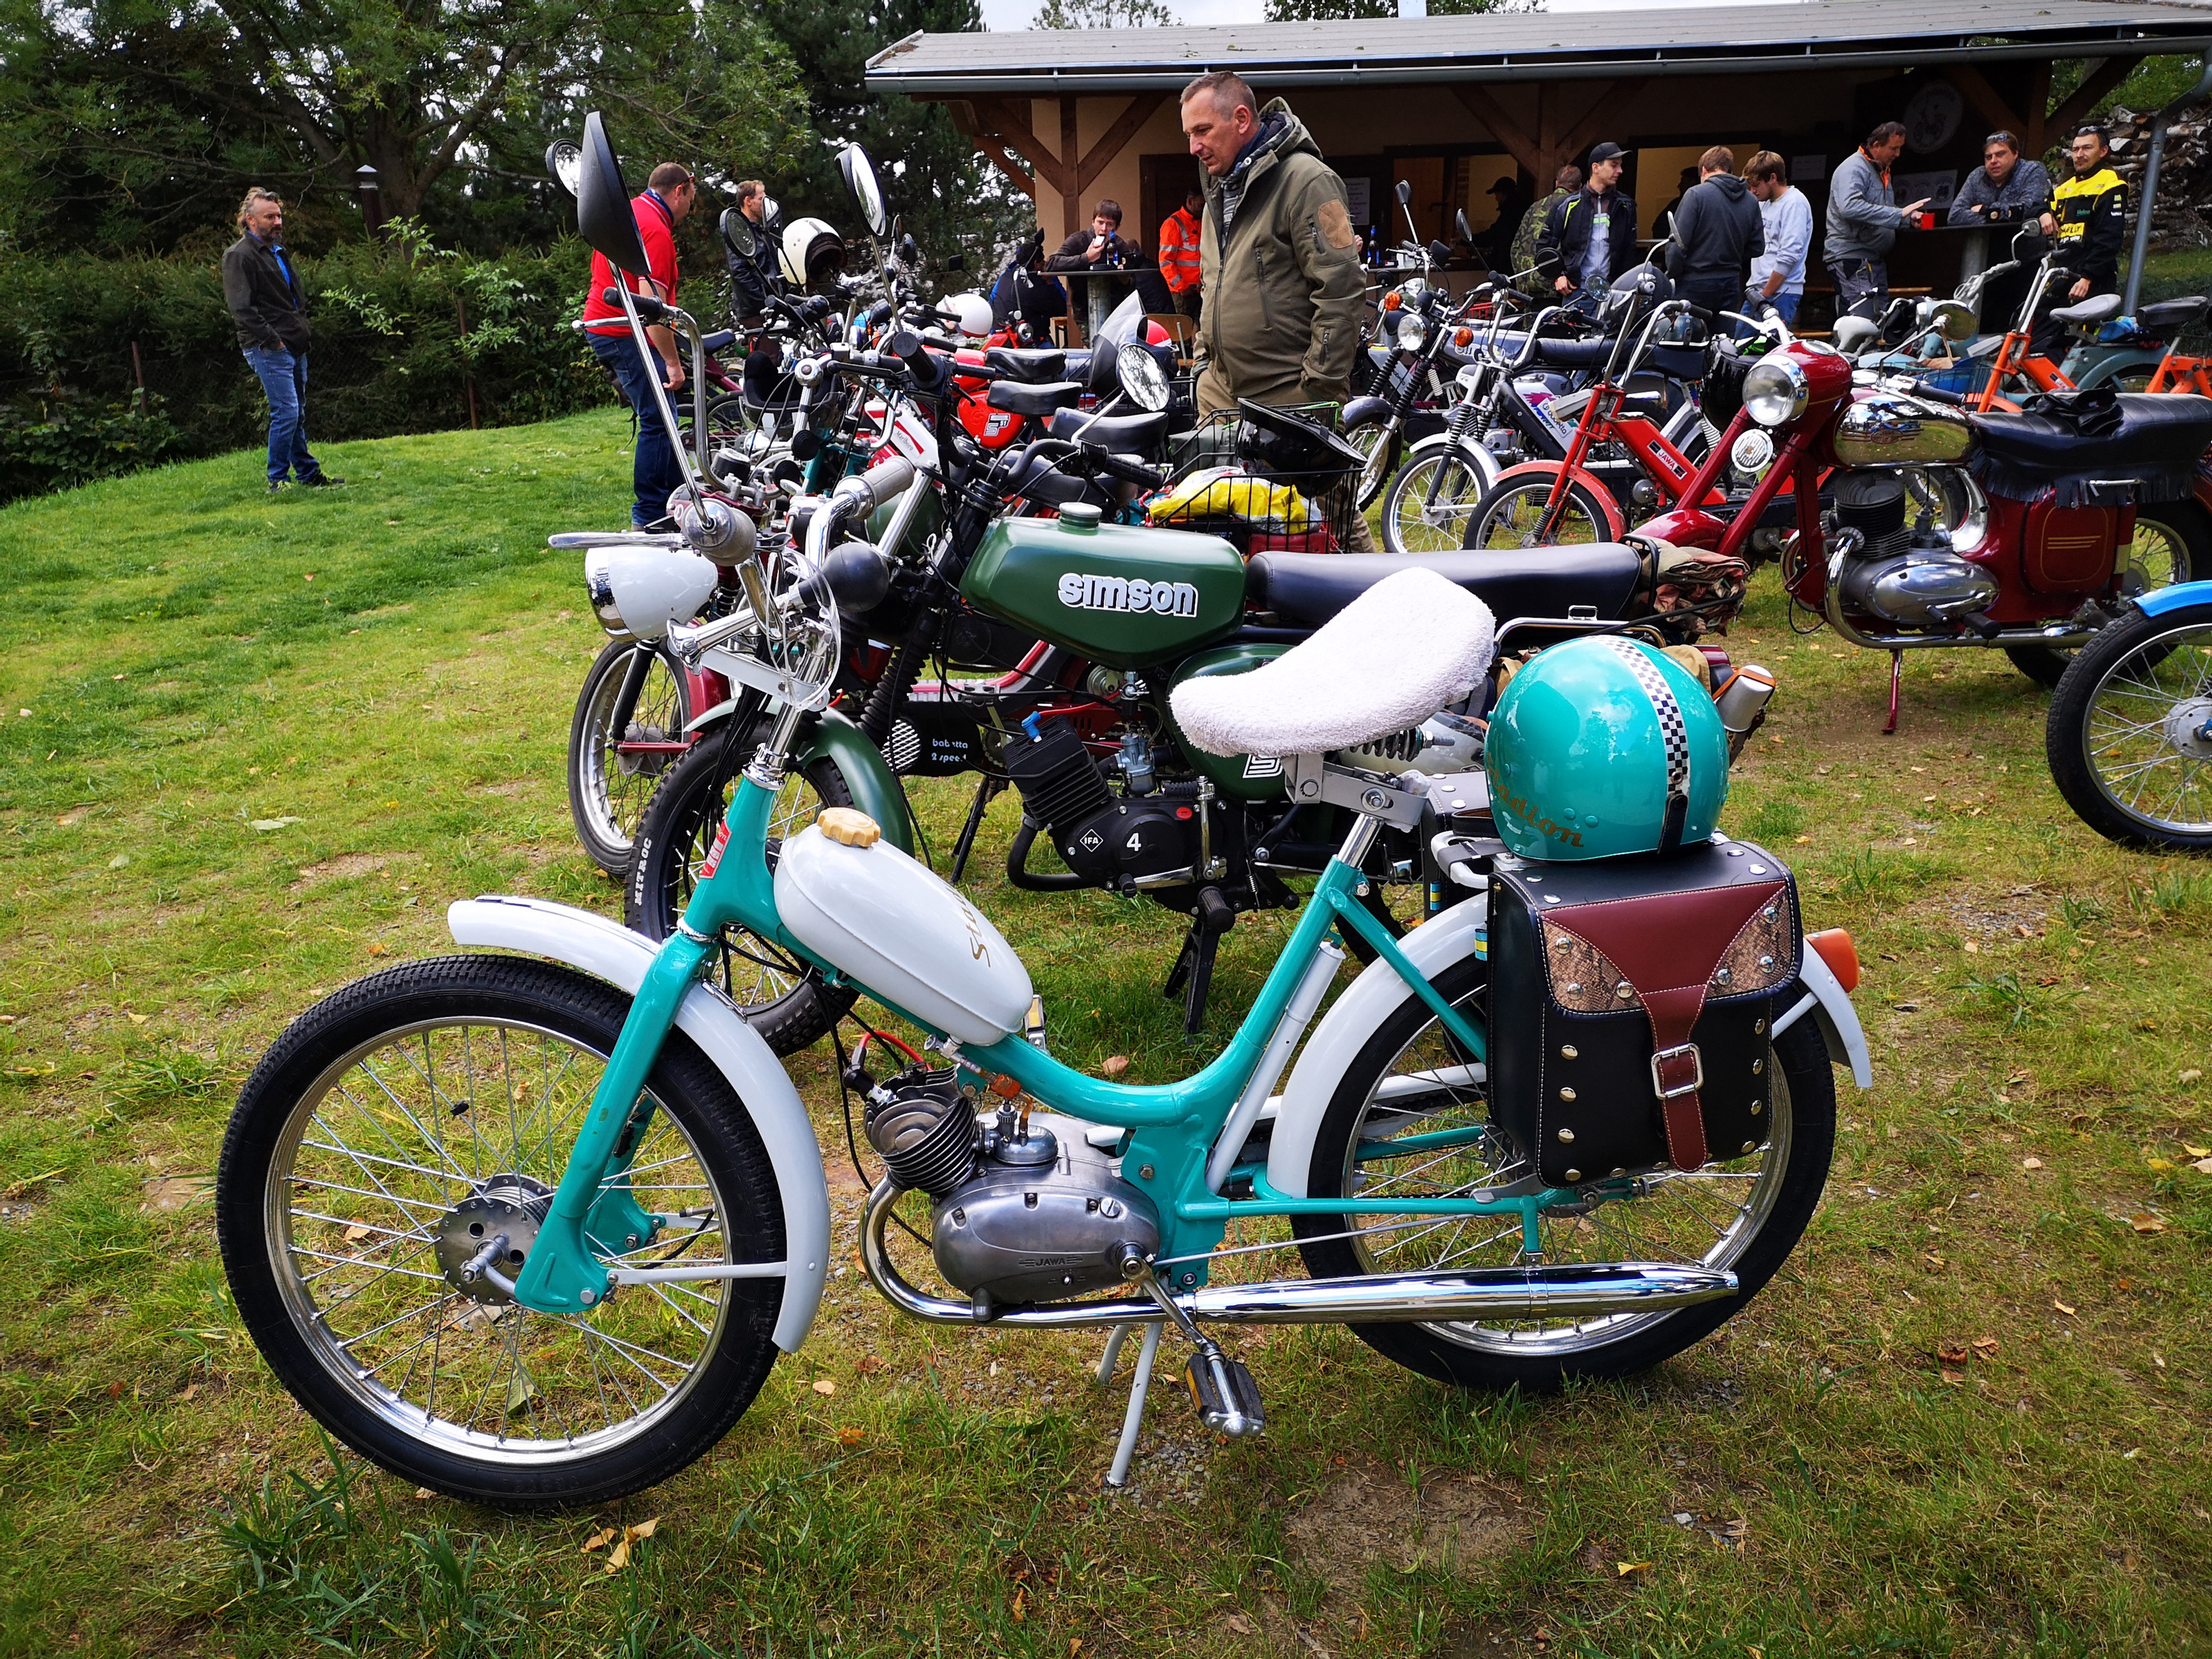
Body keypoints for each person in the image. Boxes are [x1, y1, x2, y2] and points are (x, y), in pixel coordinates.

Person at [1179, 69, 1371, 548]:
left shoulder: (1307, 181)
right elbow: (1212, 286)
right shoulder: (1217, 191)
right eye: (1189, 134)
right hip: (1221, 395)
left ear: (1242, 119)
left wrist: (1319, 384)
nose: (1194, 147)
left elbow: (1342, 287)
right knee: (1223, 524)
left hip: (1291, 393)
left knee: (1329, 522)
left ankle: (1373, 590)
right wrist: (1203, 365)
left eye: (1203, 130)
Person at [579, 161, 697, 528]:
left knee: (665, 417)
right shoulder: (655, 230)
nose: (690, 206)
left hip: (606, 325)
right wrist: (673, 363)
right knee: (659, 419)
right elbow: (652, 310)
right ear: (679, 191)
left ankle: (678, 500)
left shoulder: (630, 212)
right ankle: (649, 516)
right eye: (691, 197)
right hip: (622, 332)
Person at [223, 189, 341, 494]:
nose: (277, 222)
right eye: (269, 217)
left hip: (294, 342)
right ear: (250, 220)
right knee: (286, 412)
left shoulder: (277, 251)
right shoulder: (239, 255)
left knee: (296, 413)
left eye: (279, 216)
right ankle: (277, 479)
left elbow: (292, 299)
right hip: (268, 347)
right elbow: (241, 308)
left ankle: (308, 474)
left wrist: (300, 329)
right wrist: (273, 341)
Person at [1825, 120, 1931, 322]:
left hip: (1873, 259)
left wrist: (1907, 219)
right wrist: (1899, 214)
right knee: (1859, 321)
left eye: (1900, 148)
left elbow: (1879, 211)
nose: (1898, 154)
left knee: (1878, 321)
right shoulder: (1853, 169)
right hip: (1853, 258)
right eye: (1893, 148)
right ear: (1876, 146)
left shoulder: (1881, 170)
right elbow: (1850, 207)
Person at [1537, 142, 1639, 321]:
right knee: (1574, 339)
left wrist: (1626, 288)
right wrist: (1557, 277)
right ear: (1596, 168)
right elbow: (1544, 247)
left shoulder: (1626, 206)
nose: (1620, 171)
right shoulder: (1567, 205)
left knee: (1610, 340)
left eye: (1621, 166)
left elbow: (1630, 251)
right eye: (1614, 165)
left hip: (1614, 294)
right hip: (1578, 293)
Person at [1667, 144, 1764, 320]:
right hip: (1731, 283)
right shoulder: (1751, 200)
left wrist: (1673, 275)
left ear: (1704, 170)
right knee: (1723, 336)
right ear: (1729, 170)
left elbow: (1677, 245)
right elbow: (1757, 247)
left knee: (1686, 336)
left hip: (1693, 283)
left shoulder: (1696, 194)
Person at [1047, 198, 1154, 337]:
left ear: (1116, 227)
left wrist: (1124, 278)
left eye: (1110, 224)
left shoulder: (1119, 245)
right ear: (1093, 221)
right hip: (1085, 311)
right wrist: (1087, 257)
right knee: (1095, 345)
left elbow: (1129, 286)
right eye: (1100, 222)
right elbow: (1051, 264)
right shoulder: (1079, 240)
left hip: (1114, 312)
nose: (1104, 229)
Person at [1743, 152, 1812, 328]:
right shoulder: (1763, 202)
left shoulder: (1794, 203)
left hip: (1781, 293)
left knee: (1770, 344)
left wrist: (1765, 296)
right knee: (1740, 342)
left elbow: (1789, 256)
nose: (1752, 191)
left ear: (1773, 178)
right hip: (1757, 292)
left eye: (1756, 185)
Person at [1948, 131, 2051, 227]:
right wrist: (1993, 218)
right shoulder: (1977, 175)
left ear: (2015, 154)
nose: (1993, 161)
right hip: (1983, 238)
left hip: (2020, 236)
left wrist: (1985, 210)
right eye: (1989, 157)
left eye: (2000, 154)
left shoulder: (2032, 170)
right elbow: (1954, 216)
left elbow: (2029, 210)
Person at [1510, 165, 1580, 297]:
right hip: (1559, 289)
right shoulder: (1576, 209)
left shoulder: (1535, 207)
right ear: (1580, 187)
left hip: (1529, 287)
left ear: (1557, 183)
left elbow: (1516, 247)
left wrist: (1522, 280)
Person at [721, 180, 784, 326]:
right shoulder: (739, 233)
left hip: (771, 307)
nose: (765, 204)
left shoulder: (761, 231)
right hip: (755, 313)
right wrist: (764, 300)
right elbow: (739, 273)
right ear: (748, 201)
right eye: (761, 199)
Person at [1158, 187, 1205, 326]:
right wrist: (1182, 287)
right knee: (1182, 332)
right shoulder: (1173, 224)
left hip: (1203, 290)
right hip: (1183, 293)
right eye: (1201, 205)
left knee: (1203, 331)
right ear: (1190, 202)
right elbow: (1165, 261)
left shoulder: (1203, 222)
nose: (1203, 208)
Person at [1475, 175, 1526, 271]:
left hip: (1508, 265)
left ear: (1503, 194)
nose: (1496, 198)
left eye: (1497, 194)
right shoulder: (1521, 211)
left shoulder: (1509, 215)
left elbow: (1492, 236)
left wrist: (1467, 240)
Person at [1659, 165, 1700, 234]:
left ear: (1692, 182)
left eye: (1683, 181)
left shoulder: (1681, 203)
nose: (1679, 186)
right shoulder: (1677, 203)